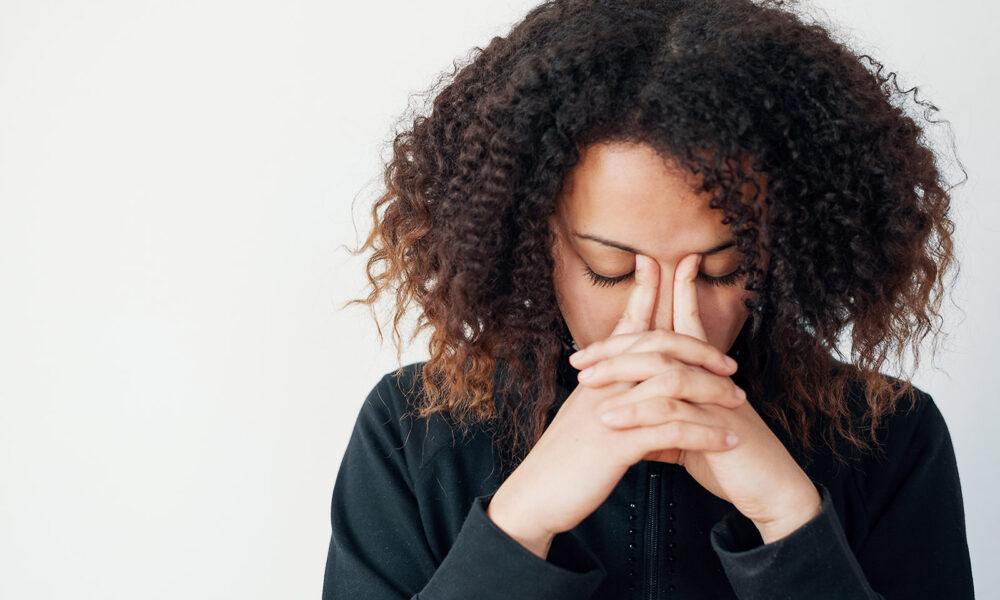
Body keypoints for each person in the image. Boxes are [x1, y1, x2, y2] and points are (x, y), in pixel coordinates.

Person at [323, 0, 973, 598]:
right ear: (533, 240)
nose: (666, 322)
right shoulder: (411, 432)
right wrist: (520, 524)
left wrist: (790, 521)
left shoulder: (889, 438)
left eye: (721, 270)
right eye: (612, 269)